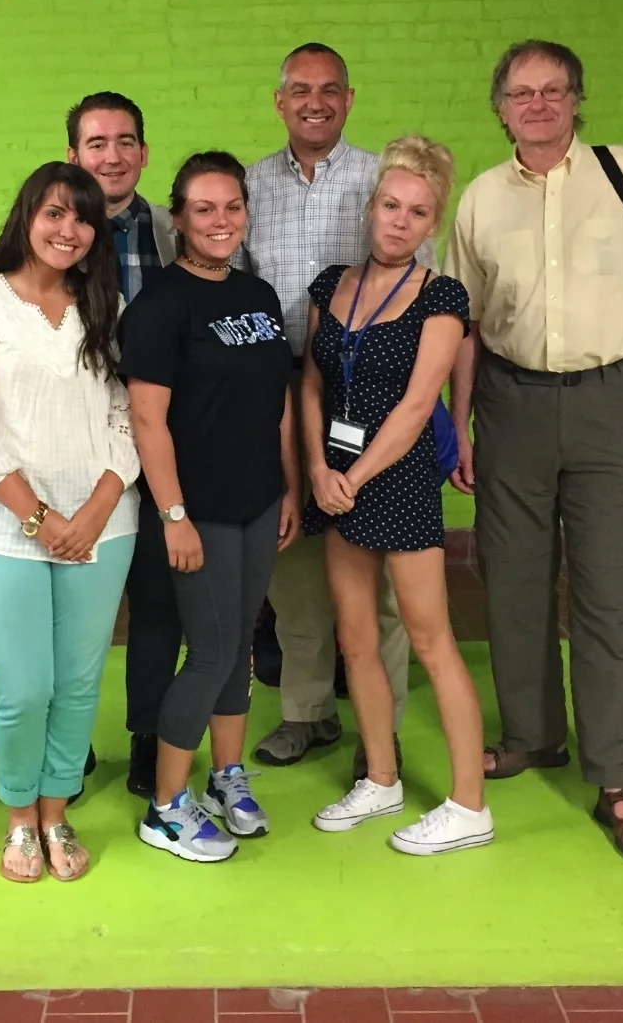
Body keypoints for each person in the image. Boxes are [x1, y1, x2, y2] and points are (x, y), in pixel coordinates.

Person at [445, 40, 623, 864]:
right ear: (501, 107)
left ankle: (619, 776)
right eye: (522, 92)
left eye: (554, 90)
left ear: (576, 100)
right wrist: (458, 421)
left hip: (614, 403)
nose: (539, 104)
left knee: (610, 592)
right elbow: (465, 323)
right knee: (513, 584)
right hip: (509, 403)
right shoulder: (481, 198)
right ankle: (532, 735)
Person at [0, 162, 141, 883]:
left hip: (103, 524)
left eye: (83, 218)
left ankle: (56, 811)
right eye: (55, 213)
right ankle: (20, 815)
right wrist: (43, 519)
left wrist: (95, 509)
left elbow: (127, 416)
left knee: (80, 683)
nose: (69, 229)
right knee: (24, 686)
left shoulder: (104, 305)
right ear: (27, 216)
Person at [301, 137, 492, 854]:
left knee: (430, 640)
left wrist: (352, 478)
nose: (399, 221)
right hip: (335, 480)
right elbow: (312, 383)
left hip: (398, 483)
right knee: (354, 639)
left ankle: (469, 805)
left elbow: (417, 407)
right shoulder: (331, 285)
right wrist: (319, 468)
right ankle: (380, 777)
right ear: (371, 206)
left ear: (432, 222)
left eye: (417, 212)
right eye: (390, 205)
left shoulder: (442, 296)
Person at [242, 43, 419, 777]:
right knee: (295, 570)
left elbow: (416, 286)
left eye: (329, 90)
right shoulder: (250, 185)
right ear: (279, 101)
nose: (314, 102)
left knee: (380, 580)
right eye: (299, 89)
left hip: (367, 391)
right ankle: (306, 711)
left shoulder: (382, 181)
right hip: (279, 387)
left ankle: (384, 729)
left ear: (349, 99)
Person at [120, 152, 301, 862]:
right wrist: (173, 515)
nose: (220, 221)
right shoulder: (159, 306)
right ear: (178, 219)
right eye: (204, 209)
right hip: (200, 511)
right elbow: (146, 422)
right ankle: (166, 808)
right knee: (211, 651)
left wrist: (287, 486)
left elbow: (276, 401)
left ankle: (227, 774)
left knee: (240, 646)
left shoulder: (258, 295)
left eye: (232, 207)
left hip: (258, 500)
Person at [65, 91, 180, 799]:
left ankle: (148, 737)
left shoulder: (172, 229)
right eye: (97, 143)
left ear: (142, 151)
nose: (112, 156)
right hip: (79, 446)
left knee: (159, 602)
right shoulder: (57, 230)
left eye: (125, 141)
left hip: (161, 437)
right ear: (74, 154)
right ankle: (68, 742)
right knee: (79, 607)